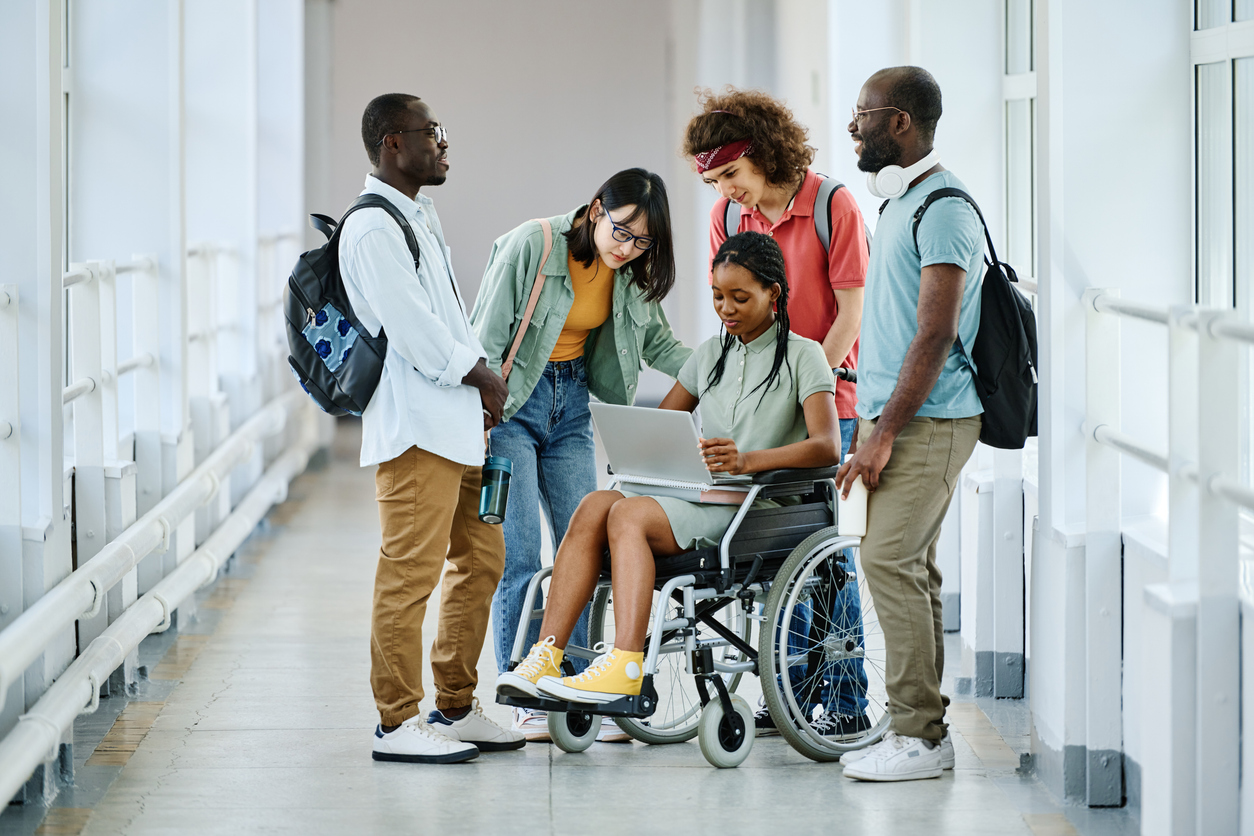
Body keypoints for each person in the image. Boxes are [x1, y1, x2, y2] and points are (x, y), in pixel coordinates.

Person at [495, 231, 840, 709]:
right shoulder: (711, 355)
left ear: (773, 294)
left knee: (628, 516)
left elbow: (827, 446)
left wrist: (747, 461)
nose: (727, 309)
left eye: (741, 297)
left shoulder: (805, 355)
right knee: (594, 504)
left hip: (754, 507)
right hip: (702, 496)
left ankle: (626, 664)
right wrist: (643, 449)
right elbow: (662, 425)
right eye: (718, 297)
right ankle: (545, 656)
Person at [469, 169, 692, 742]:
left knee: (586, 547)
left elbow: (662, 346)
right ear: (596, 210)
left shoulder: (630, 271)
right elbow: (486, 340)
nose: (627, 249)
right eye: (621, 232)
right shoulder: (533, 245)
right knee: (518, 556)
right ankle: (525, 694)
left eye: (643, 242)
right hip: (513, 402)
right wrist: (482, 420)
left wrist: (727, 360)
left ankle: (581, 684)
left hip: (572, 408)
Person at [341, 93, 524, 765]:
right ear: (393, 143)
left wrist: (477, 392)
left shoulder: (414, 214)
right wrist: (481, 376)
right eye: (431, 133)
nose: (444, 143)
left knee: (481, 560)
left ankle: (453, 706)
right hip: (417, 431)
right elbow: (415, 331)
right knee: (408, 575)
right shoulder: (371, 229)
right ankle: (396, 724)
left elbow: (444, 316)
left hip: (455, 425)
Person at [683, 88, 870, 739]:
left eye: (730, 174)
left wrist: (804, 382)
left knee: (824, 555)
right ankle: (787, 691)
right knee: (768, 560)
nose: (725, 190)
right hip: (755, 414)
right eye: (713, 180)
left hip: (828, 407)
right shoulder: (729, 221)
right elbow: (733, 314)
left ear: (762, 152)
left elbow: (850, 312)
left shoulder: (830, 206)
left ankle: (846, 699)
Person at [835, 67, 984, 782]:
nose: (853, 126)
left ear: (900, 121)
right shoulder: (901, 203)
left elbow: (934, 334)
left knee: (887, 560)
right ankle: (920, 728)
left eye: (862, 115)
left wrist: (885, 430)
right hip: (897, 417)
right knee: (912, 567)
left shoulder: (944, 208)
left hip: (932, 419)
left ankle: (920, 738)